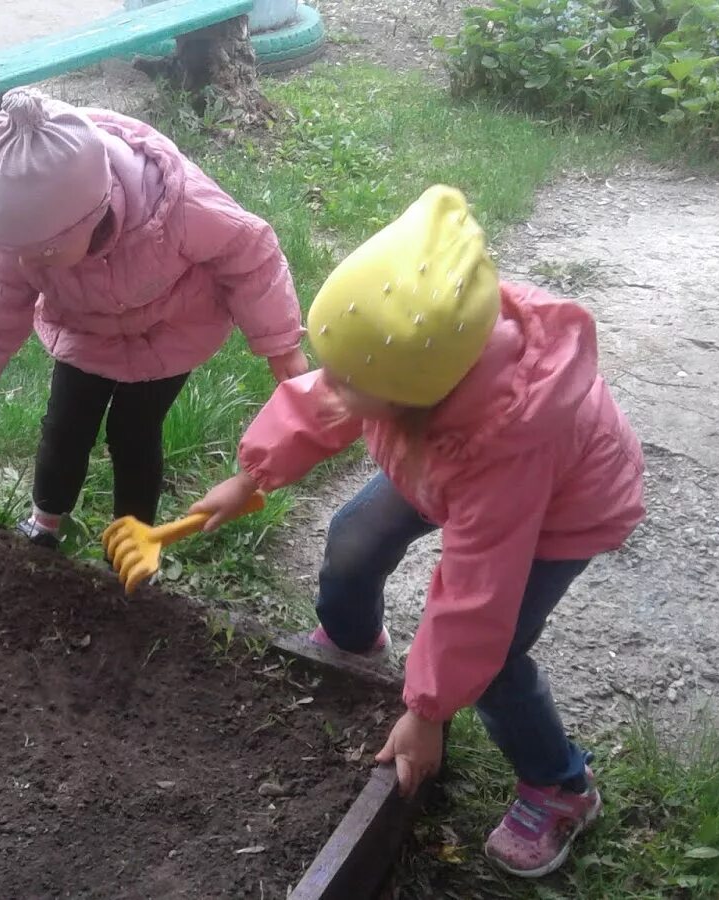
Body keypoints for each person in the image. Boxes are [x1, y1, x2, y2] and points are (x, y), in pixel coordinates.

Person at [190, 185, 644, 877]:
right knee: (354, 538)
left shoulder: (506, 447)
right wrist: (251, 476)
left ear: (410, 398)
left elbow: (474, 595)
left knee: (493, 660)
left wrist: (429, 708)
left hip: (557, 509)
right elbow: (325, 402)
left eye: (347, 381)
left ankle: (560, 786)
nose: (329, 386)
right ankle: (352, 648)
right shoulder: (403, 358)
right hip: (437, 458)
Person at [0, 87, 306, 549]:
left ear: (91, 216)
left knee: (134, 434)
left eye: (40, 256)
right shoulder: (20, 242)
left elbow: (252, 257)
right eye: (15, 255)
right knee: (64, 425)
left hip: (169, 336)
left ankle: (134, 535)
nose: (27, 268)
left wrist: (280, 343)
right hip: (84, 334)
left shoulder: (178, 207)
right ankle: (46, 520)